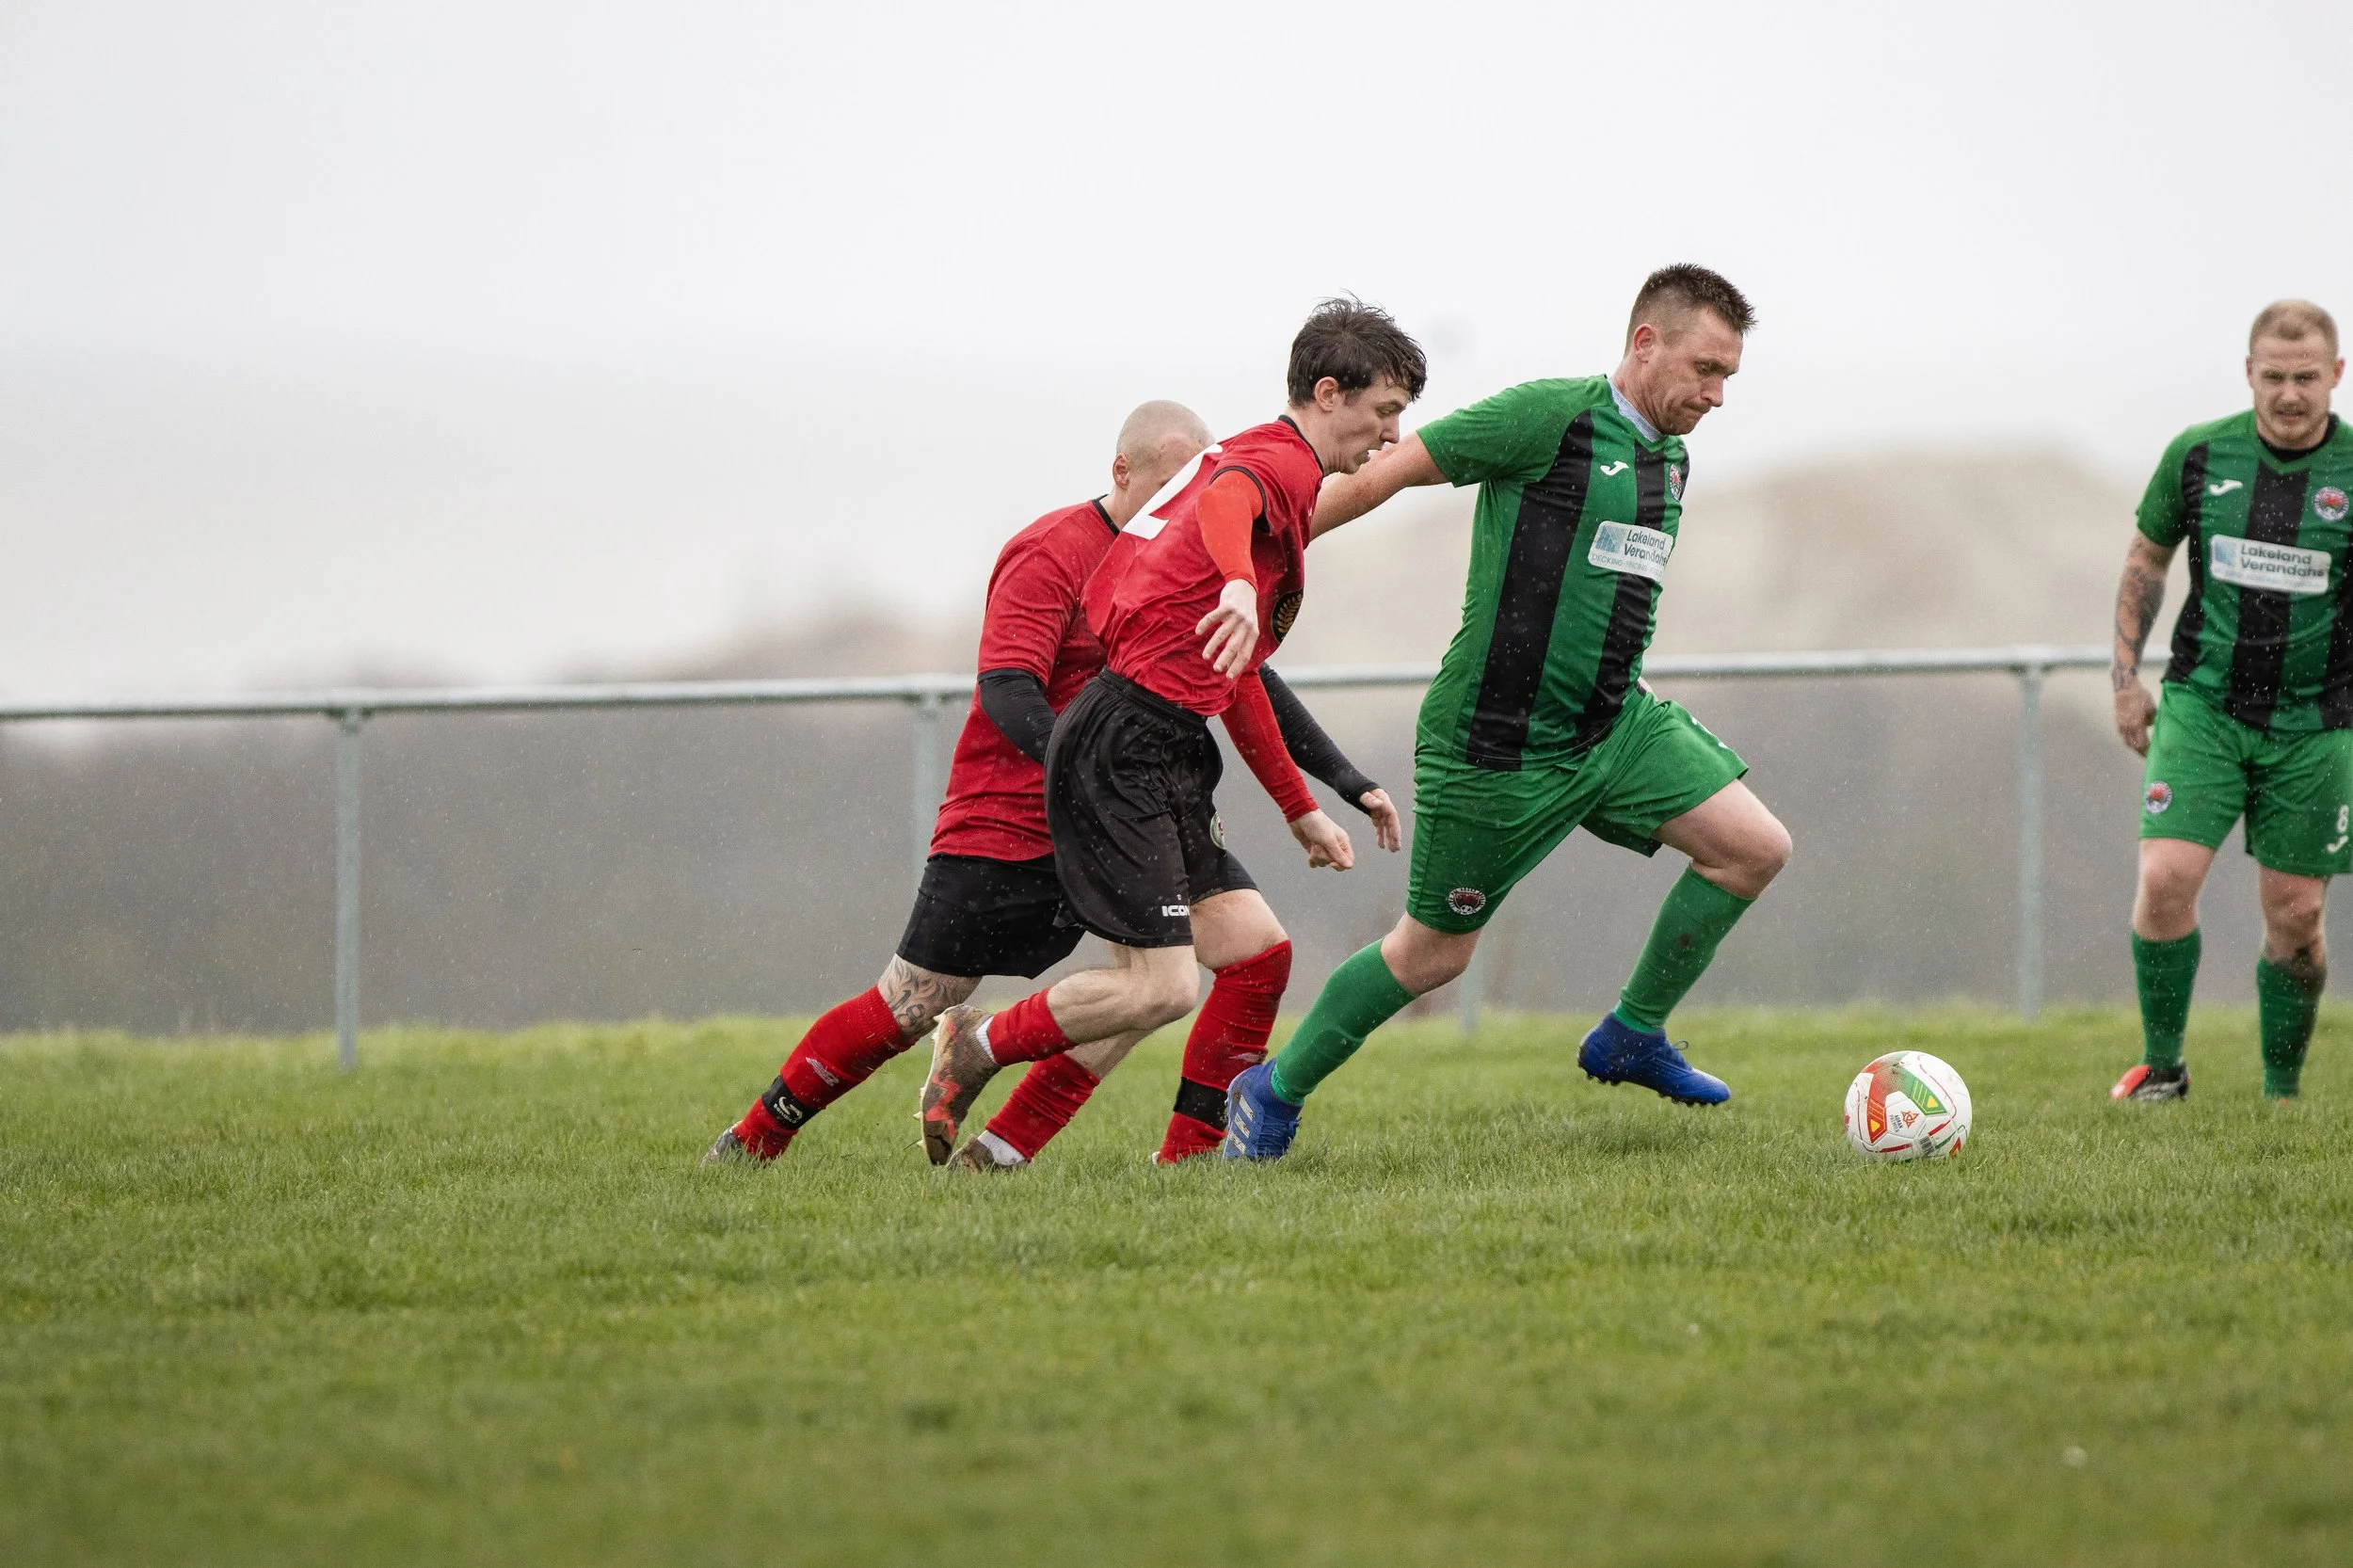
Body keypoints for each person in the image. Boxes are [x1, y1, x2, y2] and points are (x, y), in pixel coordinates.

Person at [700, 400, 1395, 1168]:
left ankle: (1076, 1156)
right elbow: (1006, 693)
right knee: (914, 1001)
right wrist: (1087, 776)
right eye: (1166, 485)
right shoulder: (1050, 551)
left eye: (1197, 485)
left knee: (1234, 960)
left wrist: (1335, 782)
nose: (1183, 503)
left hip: (1138, 797)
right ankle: (754, 1139)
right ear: (1120, 472)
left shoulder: (1186, 549)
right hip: (1013, 814)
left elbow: (1244, 676)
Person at [1223, 264, 1792, 1161]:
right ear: (1645, 343)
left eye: (1728, 377)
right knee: (1431, 957)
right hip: (1495, 747)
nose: (1717, 395)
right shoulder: (1547, 417)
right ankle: (1271, 1091)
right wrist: (1241, 561)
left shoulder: (1671, 455)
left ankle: (1632, 1034)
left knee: (1754, 851)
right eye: (1704, 369)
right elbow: (1378, 479)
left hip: (1615, 731)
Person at [914, 300, 1427, 1157]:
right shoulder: (1277, 464)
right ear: (1329, 394)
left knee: (1259, 955)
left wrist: (1303, 804)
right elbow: (1228, 502)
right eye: (1384, 414)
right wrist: (1233, 580)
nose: (1389, 436)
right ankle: (978, 1043)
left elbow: (1238, 675)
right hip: (1124, 748)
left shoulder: (1276, 466)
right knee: (1160, 987)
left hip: (1165, 745)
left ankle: (1152, 1159)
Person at [2108, 299, 2352, 1104]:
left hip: (2316, 727)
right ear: (2249, 373)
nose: (2289, 394)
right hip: (2203, 708)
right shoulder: (2199, 453)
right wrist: (2124, 681)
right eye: (2274, 377)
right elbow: (2148, 557)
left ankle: (2280, 1093)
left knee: (2296, 920)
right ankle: (2162, 1070)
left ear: (2335, 376)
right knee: (2166, 877)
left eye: (2306, 378)